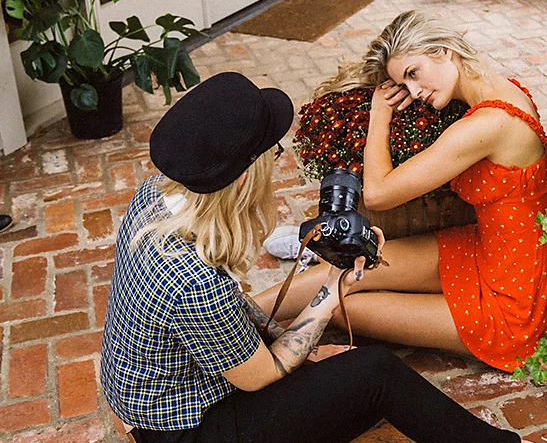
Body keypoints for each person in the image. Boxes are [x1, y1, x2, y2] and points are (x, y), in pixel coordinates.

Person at [100, 71, 522, 443]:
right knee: (376, 373)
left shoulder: (155, 194)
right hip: (188, 430)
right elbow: (260, 376)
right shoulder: (194, 279)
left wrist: (300, 351)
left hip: (149, 396)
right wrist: (332, 288)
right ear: (246, 175)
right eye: (273, 151)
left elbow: (220, 317)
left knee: (324, 363)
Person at [256, 10, 547, 373]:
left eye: (413, 73)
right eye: (404, 82)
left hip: (512, 299)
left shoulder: (490, 124)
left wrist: (380, 114)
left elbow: (378, 195)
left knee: (337, 304)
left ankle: (257, 356)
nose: (414, 92)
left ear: (445, 51)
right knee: (342, 272)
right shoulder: (498, 87)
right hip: (490, 249)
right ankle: (237, 311)